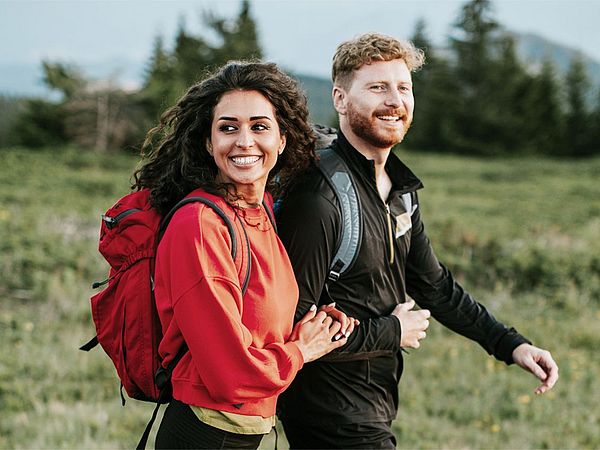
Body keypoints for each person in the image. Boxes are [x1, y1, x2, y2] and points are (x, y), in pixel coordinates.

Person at [275, 33, 559, 449]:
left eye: (403, 87)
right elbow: (292, 330)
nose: (394, 100)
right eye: (377, 87)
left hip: (371, 404)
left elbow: (434, 286)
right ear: (339, 99)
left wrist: (510, 344)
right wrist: (393, 331)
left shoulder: (398, 189)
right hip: (330, 415)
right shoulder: (319, 198)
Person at [132, 61, 357, 449]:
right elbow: (230, 371)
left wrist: (313, 326)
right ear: (209, 142)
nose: (244, 141)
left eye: (259, 126)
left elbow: (256, 324)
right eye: (228, 127)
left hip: (245, 430)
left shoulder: (261, 209)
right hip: (206, 433)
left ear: (282, 140)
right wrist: (302, 350)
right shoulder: (200, 226)